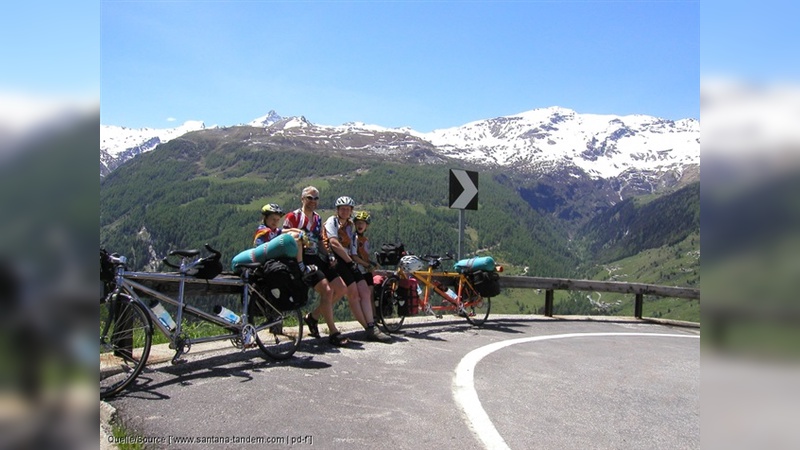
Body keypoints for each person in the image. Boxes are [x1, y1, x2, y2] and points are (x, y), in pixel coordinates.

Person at [282, 187, 350, 347]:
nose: (313, 201)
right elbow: (283, 234)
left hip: (316, 257)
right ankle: (333, 332)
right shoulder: (293, 216)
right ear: (302, 198)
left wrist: (329, 255)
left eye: (316, 198)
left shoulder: (318, 219)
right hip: (302, 258)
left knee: (341, 289)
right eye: (310, 198)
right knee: (327, 291)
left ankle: (312, 317)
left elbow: (320, 240)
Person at [323, 198, 390, 343]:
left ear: (351, 211)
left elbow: (353, 248)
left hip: (349, 260)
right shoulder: (332, 221)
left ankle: (372, 324)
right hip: (338, 259)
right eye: (342, 208)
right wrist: (350, 261)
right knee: (353, 293)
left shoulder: (350, 227)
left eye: (348, 209)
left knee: (365, 292)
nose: (345, 211)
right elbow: (333, 242)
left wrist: (357, 261)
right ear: (337, 209)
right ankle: (369, 328)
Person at [351, 211, 379, 319]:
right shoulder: (354, 238)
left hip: (366, 270)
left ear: (366, 225)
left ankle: (374, 317)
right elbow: (354, 256)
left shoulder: (365, 240)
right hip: (359, 270)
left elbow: (364, 255)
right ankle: (368, 319)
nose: (360, 225)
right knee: (364, 296)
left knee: (371, 295)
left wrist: (371, 263)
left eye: (362, 223)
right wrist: (367, 265)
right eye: (358, 223)